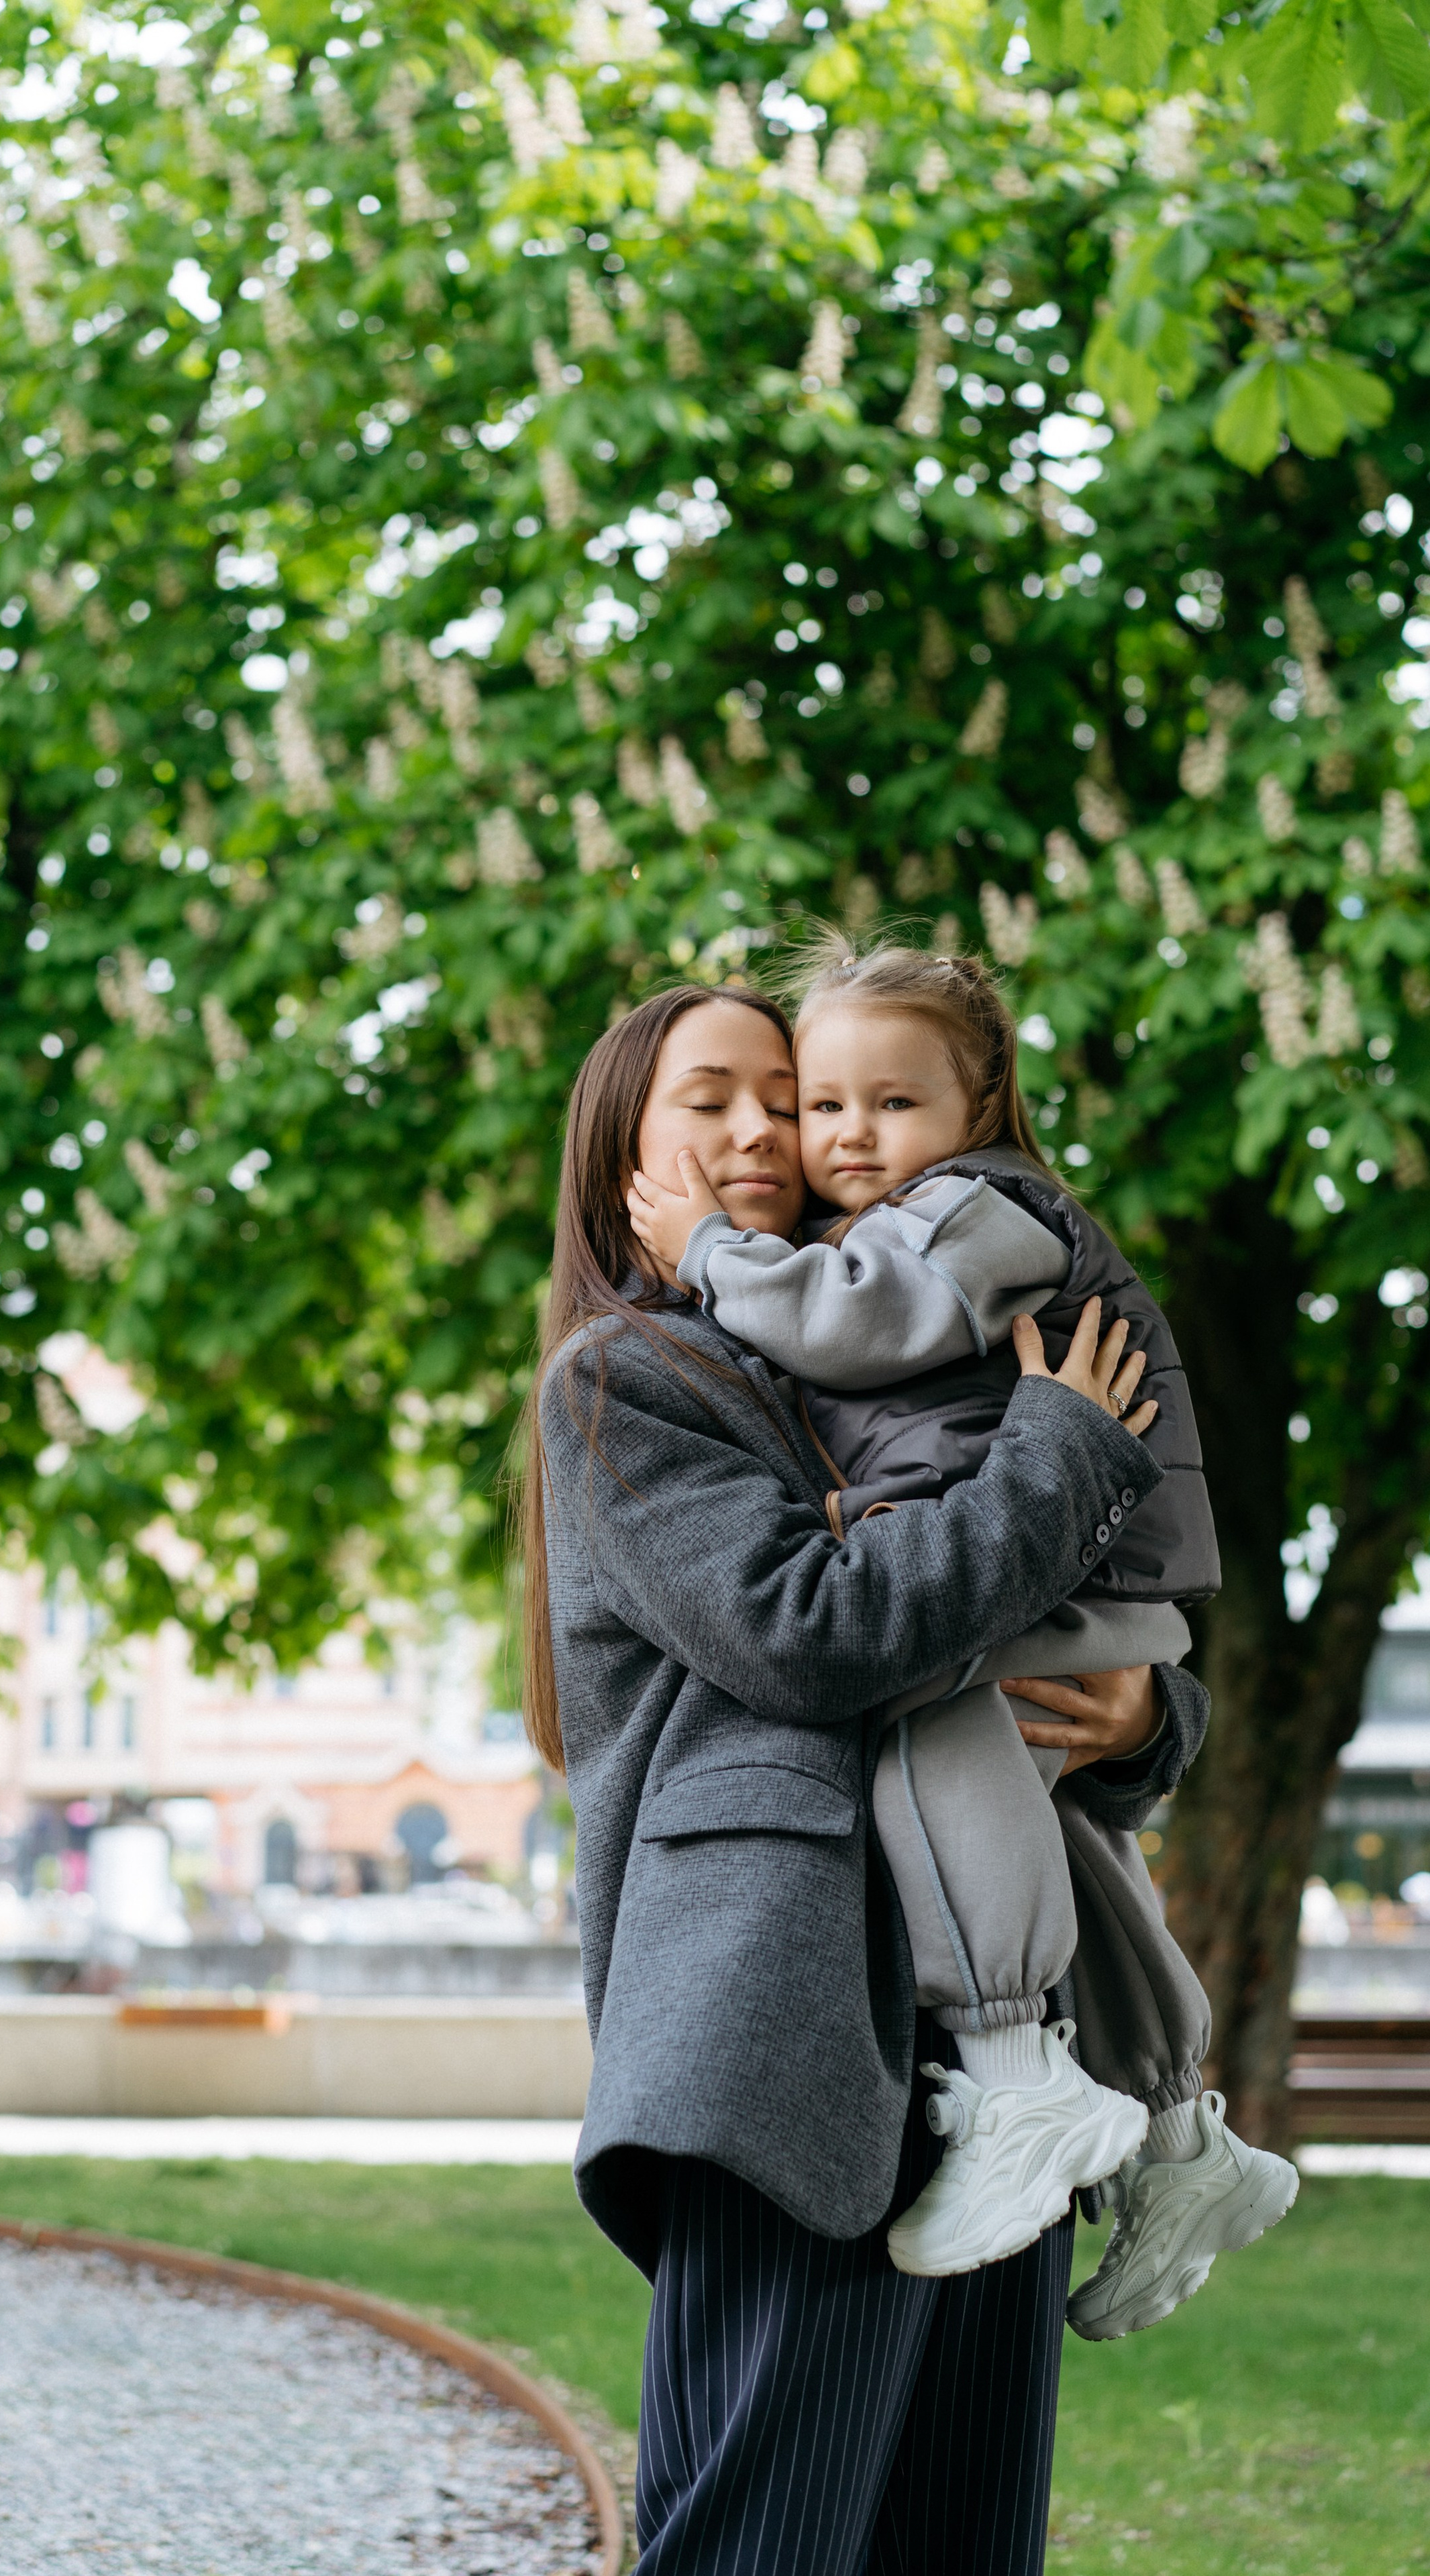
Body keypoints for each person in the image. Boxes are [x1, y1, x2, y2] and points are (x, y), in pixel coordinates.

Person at [523, 983, 1207, 2573]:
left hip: (997, 2075)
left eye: (791, 1094)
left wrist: (1142, 1719)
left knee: (960, 2545)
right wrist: (1054, 1447)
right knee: (763, 2543)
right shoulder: (629, 1386)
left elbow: (1026, 1662)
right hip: (784, 2051)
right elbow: (821, 1637)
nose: (766, 1129)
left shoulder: (870, 1363)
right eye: (710, 1101)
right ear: (623, 1152)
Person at [627, 939, 1296, 2337]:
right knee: (1053, 1828)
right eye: (825, 1107)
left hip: (1052, 1562)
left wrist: (706, 1251)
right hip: (1055, 1560)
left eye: (890, 1105)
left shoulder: (975, 1209)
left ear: (978, 1107)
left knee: (920, 1716)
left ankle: (1014, 2071)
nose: (833, 1136)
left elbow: (862, 1328)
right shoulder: (652, 1368)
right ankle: (1179, 2135)